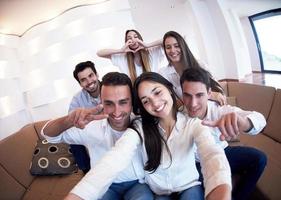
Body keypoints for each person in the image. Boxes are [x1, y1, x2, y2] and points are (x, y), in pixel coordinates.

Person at [66, 72, 232, 200]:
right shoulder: (140, 127)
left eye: (157, 92)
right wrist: (78, 195)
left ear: (169, 88)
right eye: (145, 100)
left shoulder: (193, 124)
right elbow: (115, 159)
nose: (155, 103)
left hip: (189, 187)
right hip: (159, 193)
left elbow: (211, 155)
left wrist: (222, 189)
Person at [41, 72, 154, 200]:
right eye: (109, 103)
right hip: (105, 187)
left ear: (132, 102)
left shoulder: (144, 124)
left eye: (123, 102)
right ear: (101, 101)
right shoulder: (90, 126)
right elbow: (47, 134)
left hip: (138, 184)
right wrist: (69, 119)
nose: (116, 112)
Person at [180, 67, 267, 200]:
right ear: (182, 94)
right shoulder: (178, 117)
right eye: (187, 95)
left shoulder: (219, 110)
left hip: (223, 152)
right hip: (196, 164)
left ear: (209, 93)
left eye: (199, 95)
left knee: (260, 158)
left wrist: (244, 122)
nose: (193, 104)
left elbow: (260, 119)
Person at [159, 31, 225, 104]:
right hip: (185, 113)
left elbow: (218, 91)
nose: (172, 50)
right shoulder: (163, 74)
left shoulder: (200, 64)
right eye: (168, 47)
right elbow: (170, 102)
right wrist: (147, 45)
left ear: (183, 46)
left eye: (176, 46)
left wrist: (213, 95)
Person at [97, 29, 165, 82]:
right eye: (129, 38)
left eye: (135, 37)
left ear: (140, 39)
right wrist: (120, 50)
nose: (133, 40)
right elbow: (99, 53)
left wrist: (147, 45)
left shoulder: (152, 52)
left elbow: (166, 40)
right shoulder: (122, 58)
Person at [69, 61, 101, 173]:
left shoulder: (111, 87)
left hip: (113, 125)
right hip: (92, 131)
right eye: (83, 80)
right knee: (73, 136)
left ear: (97, 75)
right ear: (80, 84)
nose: (89, 81)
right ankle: (87, 171)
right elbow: (71, 120)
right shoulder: (77, 98)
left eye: (91, 75)